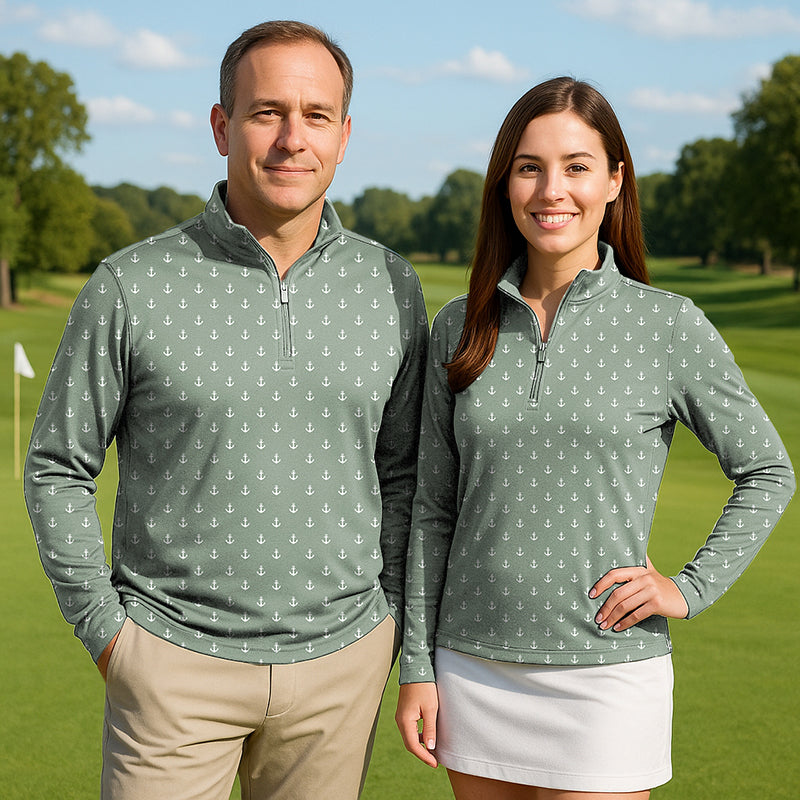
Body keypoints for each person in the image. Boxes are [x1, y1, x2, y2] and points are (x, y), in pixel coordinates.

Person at [25, 20, 428, 800]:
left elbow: (405, 470)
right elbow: (57, 466)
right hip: (170, 666)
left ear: (344, 137)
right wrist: (112, 640)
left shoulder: (392, 285)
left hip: (340, 669)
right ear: (222, 126)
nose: (290, 139)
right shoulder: (130, 285)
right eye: (265, 112)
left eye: (315, 116)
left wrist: (389, 629)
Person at [395, 76, 795, 800]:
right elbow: (432, 510)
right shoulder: (458, 326)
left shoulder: (668, 325)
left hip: (607, 673)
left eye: (577, 166)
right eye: (530, 167)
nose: (553, 190)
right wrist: (418, 667)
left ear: (614, 181)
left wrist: (689, 587)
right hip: (472, 667)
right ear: (505, 183)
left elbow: (768, 470)